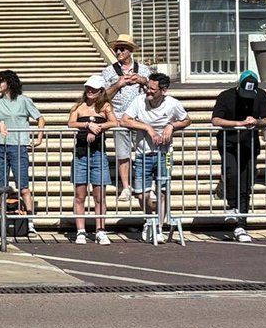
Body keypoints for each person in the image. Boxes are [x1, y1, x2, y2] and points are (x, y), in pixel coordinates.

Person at [121, 72, 190, 244]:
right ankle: (149, 219)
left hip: (165, 153)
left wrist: (171, 125)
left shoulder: (172, 103)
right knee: (141, 193)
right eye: (147, 88)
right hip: (143, 153)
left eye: (152, 89)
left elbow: (187, 120)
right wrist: (147, 128)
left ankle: (158, 226)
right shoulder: (139, 101)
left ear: (163, 90)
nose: (148, 92)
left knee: (163, 190)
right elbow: (124, 120)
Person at [0, 70, 45, 234]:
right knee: (0, 186)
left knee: (23, 186)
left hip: (19, 145)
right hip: (0, 146)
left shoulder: (23, 100)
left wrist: (39, 137)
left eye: (0, 81)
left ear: (9, 83)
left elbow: (40, 118)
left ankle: (29, 222)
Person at [211, 71, 266, 243]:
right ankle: (232, 205)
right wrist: (237, 124)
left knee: (246, 183)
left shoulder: (260, 95)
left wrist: (257, 122)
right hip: (229, 143)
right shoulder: (226, 95)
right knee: (232, 173)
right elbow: (215, 120)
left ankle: (241, 224)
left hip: (250, 145)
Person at [101, 33, 154, 201]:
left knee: (144, 153)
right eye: (116, 49)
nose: (118, 52)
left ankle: (146, 185)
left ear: (130, 51)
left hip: (141, 119)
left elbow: (155, 90)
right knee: (122, 154)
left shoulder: (144, 69)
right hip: (119, 118)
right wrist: (118, 84)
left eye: (122, 49)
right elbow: (102, 97)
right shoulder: (109, 71)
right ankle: (126, 187)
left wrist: (143, 81)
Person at [67, 74, 117, 245]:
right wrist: (87, 125)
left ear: (100, 90)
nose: (90, 91)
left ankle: (100, 230)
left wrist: (98, 127)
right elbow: (71, 123)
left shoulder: (105, 107)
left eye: (94, 89)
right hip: (81, 154)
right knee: (80, 195)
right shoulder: (78, 107)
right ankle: (80, 230)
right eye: (88, 88)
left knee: (99, 195)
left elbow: (114, 123)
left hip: (99, 153)